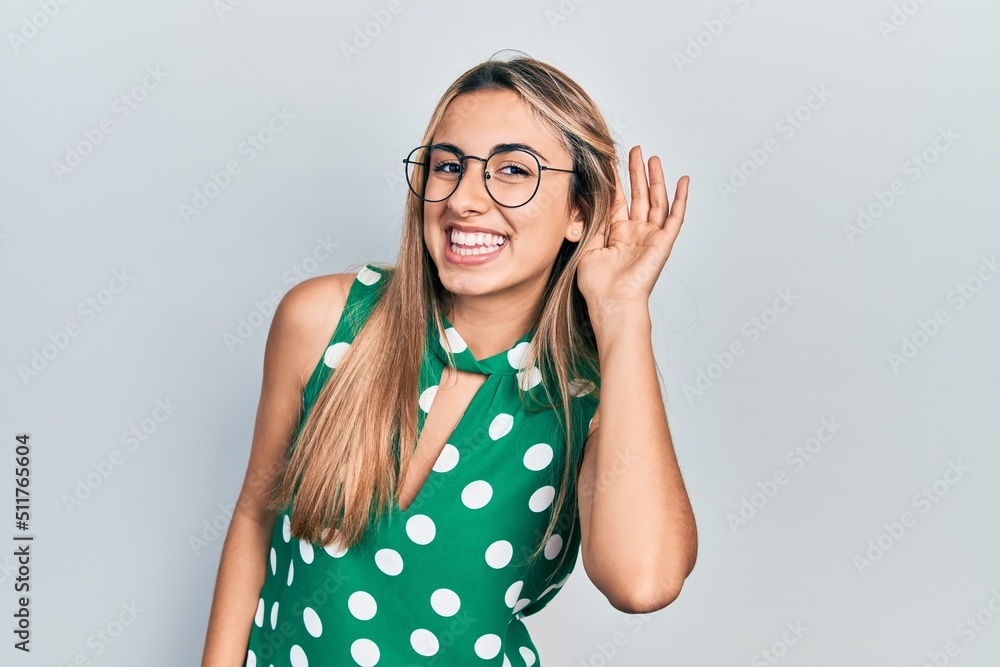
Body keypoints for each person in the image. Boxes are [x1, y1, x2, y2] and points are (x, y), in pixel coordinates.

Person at [200, 51, 697, 667]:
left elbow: (643, 583)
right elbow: (254, 518)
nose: (464, 199)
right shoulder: (322, 322)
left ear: (578, 211)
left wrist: (622, 311)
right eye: (448, 166)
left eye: (514, 170)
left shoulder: (588, 399)